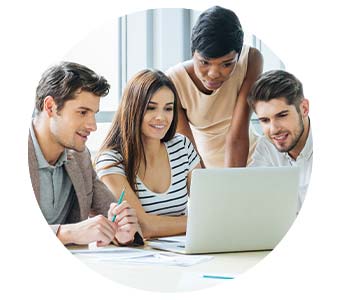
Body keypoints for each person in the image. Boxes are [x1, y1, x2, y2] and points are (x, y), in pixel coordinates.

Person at [28, 61, 142, 246]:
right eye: (82, 112)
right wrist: (66, 233)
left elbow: (110, 211)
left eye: (94, 114)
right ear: (50, 107)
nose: (93, 126)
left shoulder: (80, 157)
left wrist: (123, 232)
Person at [95, 69, 201, 238]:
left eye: (168, 108)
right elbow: (143, 226)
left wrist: (205, 221)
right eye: (151, 108)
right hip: (141, 255)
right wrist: (199, 222)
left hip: (185, 251)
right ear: (133, 108)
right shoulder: (110, 161)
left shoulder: (182, 146)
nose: (161, 117)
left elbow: (209, 209)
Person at [166, 6, 263, 168]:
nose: (213, 74)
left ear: (237, 57)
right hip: (206, 167)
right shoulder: (173, 81)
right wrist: (207, 184)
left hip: (256, 160)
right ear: (192, 53)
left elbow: (237, 134)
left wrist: (232, 182)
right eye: (204, 62)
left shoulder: (251, 60)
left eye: (226, 64)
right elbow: (187, 149)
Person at [248, 70, 313, 212]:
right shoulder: (266, 146)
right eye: (265, 120)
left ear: (304, 108)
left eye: (282, 115)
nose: (273, 130)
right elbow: (252, 197)